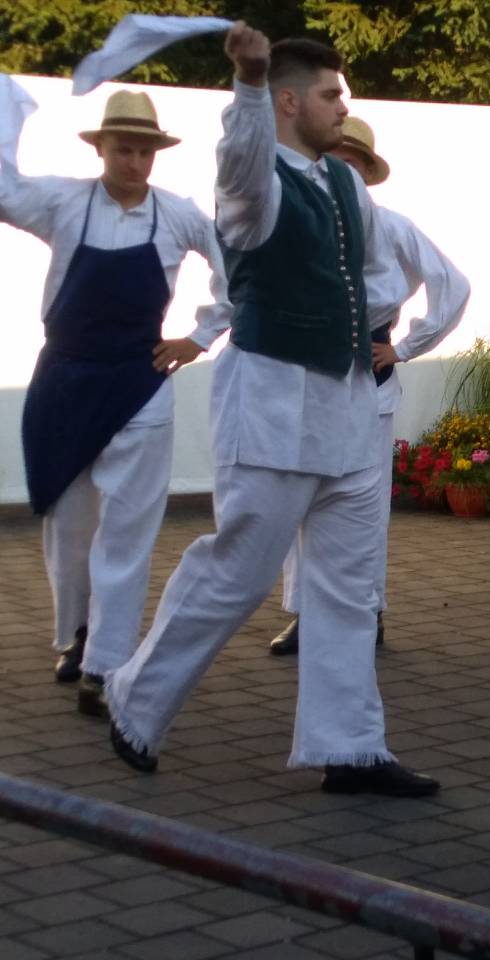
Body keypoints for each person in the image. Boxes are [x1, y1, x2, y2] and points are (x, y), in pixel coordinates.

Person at [104, 26, 438, 797]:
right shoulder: (253, 185)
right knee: (239, 571)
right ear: (288, 102)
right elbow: (241, 162)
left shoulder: (345, 183)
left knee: (349, 588)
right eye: (330, 95)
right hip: (274, 408)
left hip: (349, 409)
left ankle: (350, 746)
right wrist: (247, 85)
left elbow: (373, 282)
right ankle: (136, 698)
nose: (343, 106)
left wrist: (360, 330)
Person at [0, 89, 230, 717]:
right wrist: (8, 106)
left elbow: (238, 271)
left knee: (126, 536)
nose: (134, 163)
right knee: (68, 528)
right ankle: (78, 634)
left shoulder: (178, 215)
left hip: (138, 383)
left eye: (144, 152)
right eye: (123, 150)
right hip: (66, 382)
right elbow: (4, 192)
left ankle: (107, 664)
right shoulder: (63, 202)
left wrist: (199, 336)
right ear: (100, 148)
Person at [268, 114, 471, 656]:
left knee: (365, 509)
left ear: (365, 173)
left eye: (352, 166)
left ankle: (368, 610)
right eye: (332, 163)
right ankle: (307, 613)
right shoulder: (298, 226)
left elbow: (453, 285)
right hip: (307, 383)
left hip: (368, 386)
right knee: (301, 501)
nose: (341, 174)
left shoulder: (391, 227)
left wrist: (404, 347)